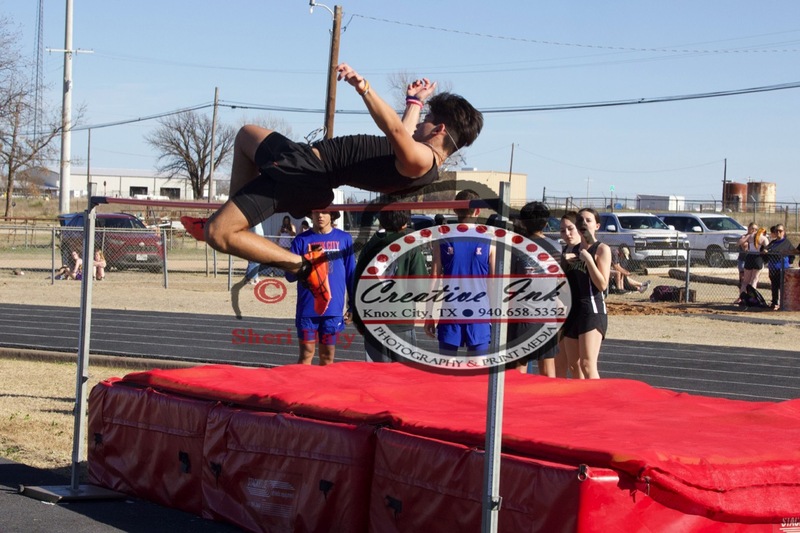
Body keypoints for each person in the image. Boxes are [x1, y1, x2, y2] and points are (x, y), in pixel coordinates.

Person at [194, 63, 482, 314]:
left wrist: (364, 87)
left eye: (425, 120)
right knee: (240, 158)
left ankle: (304, 265)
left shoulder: (420, 159)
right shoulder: (422, 161)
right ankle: (234, 219)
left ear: (439, 130)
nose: (419, 124)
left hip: (304, 168)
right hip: (309, 175)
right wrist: (414, 102)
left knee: (222, 220)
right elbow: (404, 131)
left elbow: (396, 130)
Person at [424, 189, 495, 356]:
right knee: (477, 374)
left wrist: (429, 314)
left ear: (455, 209)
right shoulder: (490, 240)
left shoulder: (441, 239)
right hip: (479, 315)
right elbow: (493, 283)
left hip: (451, 313)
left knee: (446, 376)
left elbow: (433, 278)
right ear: (478, 210)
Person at [353, 208, 428, 362]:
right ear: (405, 223)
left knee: (377, 377)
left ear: (381, 221)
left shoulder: (369, 247)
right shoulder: (411, 247)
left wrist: (358, 319)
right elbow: (421, 288)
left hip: (373, 320)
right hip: (400, 320)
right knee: (404, 377)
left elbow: (357, 285)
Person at [285, 210, 355, 366]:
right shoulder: (301, 240)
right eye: (316, 212)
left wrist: (353, 306)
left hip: (333, 311)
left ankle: (325, 390)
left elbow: (351, 273)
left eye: (324, 212)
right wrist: (303, 263)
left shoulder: (344, 239)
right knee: (306, 354)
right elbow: (289, 276)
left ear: (332, 216)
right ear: (311, 215)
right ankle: (302, 390)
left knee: (327, 356)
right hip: (307, 310)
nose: (320, 216)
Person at [508, 201, 562, 376]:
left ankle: (516, 401)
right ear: (546, 223)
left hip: (523, 316)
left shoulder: (517, 248)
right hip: (546, 316)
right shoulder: (556, 247)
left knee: (519, 369)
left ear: (523, 223)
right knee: (548, 368)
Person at [559, 208, 611, 379]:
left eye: (588, 220)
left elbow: (602, 284)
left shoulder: (601, 249)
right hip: (572, 311)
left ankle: (597, 402)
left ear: (597, 225)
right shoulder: (570, 250)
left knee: (587, 364)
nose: (584, 223)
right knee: (574, 366)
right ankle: (582, 403)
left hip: (592, 308)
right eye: (580, 220)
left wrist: (589, 259)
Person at [765, 224, 795, 311]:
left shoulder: (786, 242)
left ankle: (783, 304)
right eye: (776, 231)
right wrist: (765, 251)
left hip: (782, 269)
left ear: (783, 232)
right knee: (774, 286)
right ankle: (774, 302)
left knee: (782, 287)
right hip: (772, 268)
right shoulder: (773, 243)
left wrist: (789, 262)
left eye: (780, 231)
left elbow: (792, 254)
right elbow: (766, 250)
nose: (778, 232)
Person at [738, 221, 769, 297]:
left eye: (755, 229)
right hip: (757, 258)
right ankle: (751, 297)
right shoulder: (763, 238)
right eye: (753, 228)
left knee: (746, 281)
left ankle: (743, 297)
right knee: (754, 280)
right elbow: (768, 247)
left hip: (750, 257)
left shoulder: (750, 236)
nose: (754, 230)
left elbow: (739, 242)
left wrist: (745, 242)